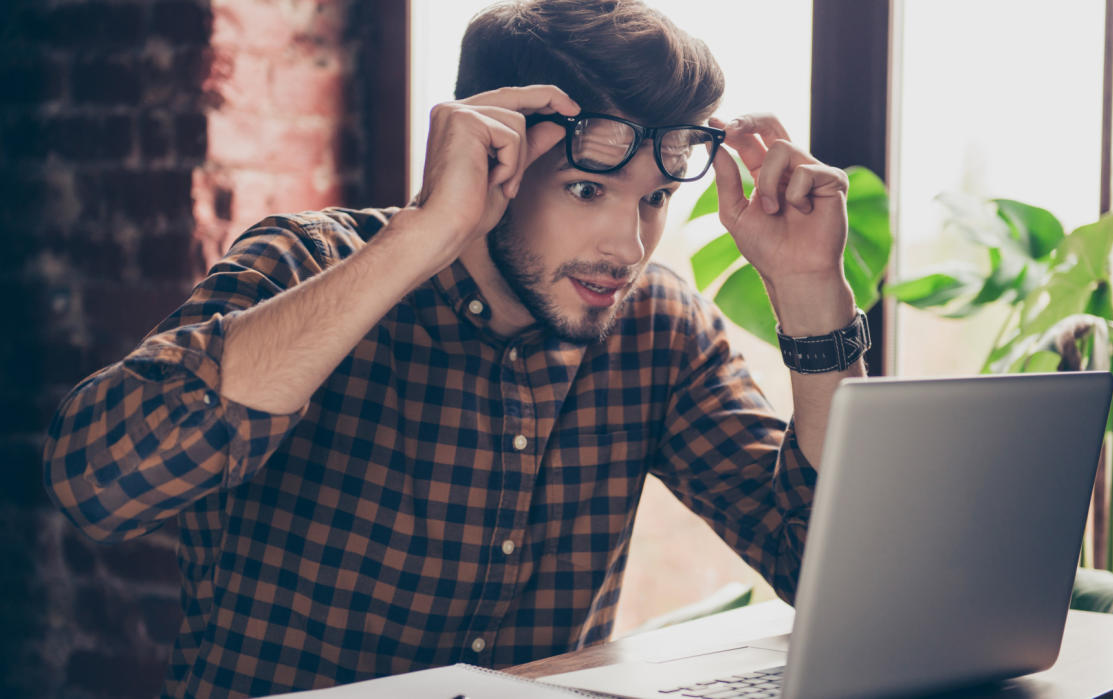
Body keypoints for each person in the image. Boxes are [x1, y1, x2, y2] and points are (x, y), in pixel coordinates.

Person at [42, 0, 867, 696]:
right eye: (588, 189)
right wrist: (420, 237)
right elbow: (98, 488)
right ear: (493, 151)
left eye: (652, 200)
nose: (627, 245)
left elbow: (832, 576)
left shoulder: (657, 329)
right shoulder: (306, 263)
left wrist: (809, 295)